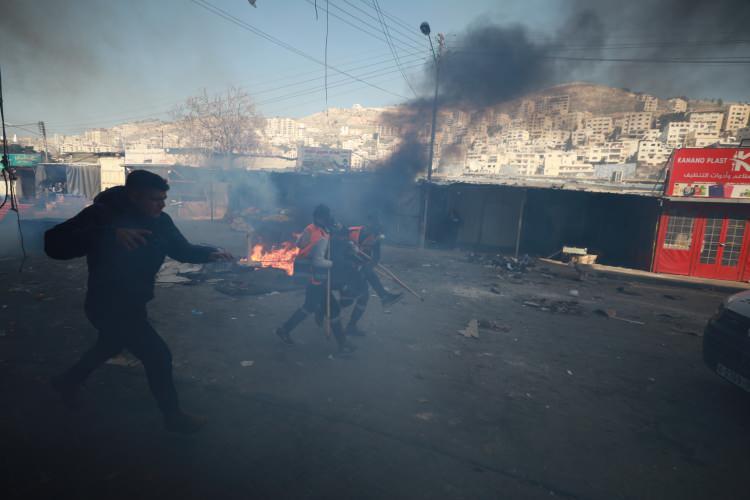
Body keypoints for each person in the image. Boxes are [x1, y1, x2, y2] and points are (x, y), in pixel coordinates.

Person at [45, 170, 233, 434]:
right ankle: (174, 418)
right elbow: (53, 244)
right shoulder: (102, 215)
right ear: (134, 196)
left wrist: (211, 253)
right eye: (155, 199)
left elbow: (181, 249)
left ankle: (67, 381)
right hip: (106, 305)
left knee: (108, 345)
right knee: (158, 356)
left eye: (164, 198)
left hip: (134, 303)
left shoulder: (161, 220)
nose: (162, 204)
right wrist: (108, 235)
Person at [274, 204, 356, 354]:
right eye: (326, 217)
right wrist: (333, 263)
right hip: (317, 278)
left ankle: (342, 343)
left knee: (316, 307)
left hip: (311, 275)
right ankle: (342, 344)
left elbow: (299, 244)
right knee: (321, 308)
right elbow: (318, 261)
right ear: (321, 218)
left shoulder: (311, 228)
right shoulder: (321, 237)